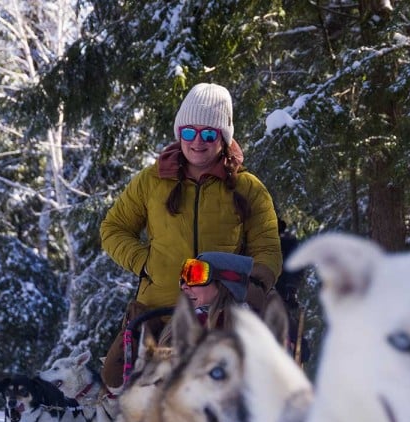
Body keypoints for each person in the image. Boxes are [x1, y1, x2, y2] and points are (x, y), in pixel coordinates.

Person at [100, 82, 282, 388]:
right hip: (157, 310)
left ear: (223, 138)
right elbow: (112, 229)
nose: (197, 141)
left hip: (221, 316)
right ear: (179, 133)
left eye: (209, 133)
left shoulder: (248, 188)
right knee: (113, 379)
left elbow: (268, 250)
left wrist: (242, 290)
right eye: (189, 132)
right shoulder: (151, 181)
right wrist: (145, 263)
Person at [178, 251, 253, 329]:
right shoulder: (183, 323)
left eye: (196, 276)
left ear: (223, 286)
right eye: (183, 279)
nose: (184, 286)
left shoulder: (248, 331)